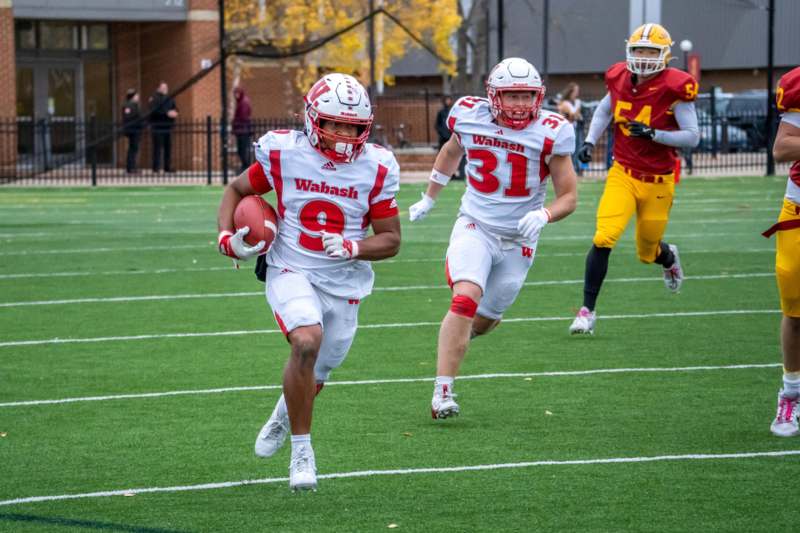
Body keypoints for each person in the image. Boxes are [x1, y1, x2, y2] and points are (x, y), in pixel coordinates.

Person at [216, 73, 401, 490]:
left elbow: (391, 240)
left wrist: (353, 247)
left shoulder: (375, 167)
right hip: (291, 267)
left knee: (320, 367)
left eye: (351, 126)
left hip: (344, 281)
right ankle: (303, 452)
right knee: (305, 342)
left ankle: (284, 414)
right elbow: (235, 190)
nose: (342, 134)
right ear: (312, 118)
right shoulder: (285, 153)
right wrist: (227, 239)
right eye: (333, 123)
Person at [408, 57, 578, 419]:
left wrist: (544, 214)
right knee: (465, 300)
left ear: (539, 96)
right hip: (476, 226)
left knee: (483, 321)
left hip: (520, 239)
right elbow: (451, 152)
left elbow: (569, 197)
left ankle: (453, 339)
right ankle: (442, 391)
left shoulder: (551, 131)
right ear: (492, 96)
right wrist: (429, 196)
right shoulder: (469, 115)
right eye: (511, 95)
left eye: (526, 96)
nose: (519, 104)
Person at [569, 23, 700, 335]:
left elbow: (693, 137)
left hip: (658, 180)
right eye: (639, 50)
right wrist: (589, 141)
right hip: (623, 173)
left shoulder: (676, 87)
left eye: (650, 51)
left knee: (646, 252)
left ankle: (667, 257)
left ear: (665, 55)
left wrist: (656, 134)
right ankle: (587, 311)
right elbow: (604, 113)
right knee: (604, 237)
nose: (643, 57)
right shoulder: (618, 77)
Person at [764, 65, 800, 437]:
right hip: (798, 211)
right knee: (795, 310)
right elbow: (782, 147)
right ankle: (791, 393)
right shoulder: (797, 84)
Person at [148, 82, 178, 173]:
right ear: (159, 88)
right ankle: (156, 167)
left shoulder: (170, 98)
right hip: (157, 126)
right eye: (163, 87)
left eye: (166, 87)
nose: (165, 89)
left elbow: (175, 108)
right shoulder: (154, 98)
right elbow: (154, 111)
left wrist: (175, 112)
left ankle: (167, 167)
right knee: (157, 147)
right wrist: (166, 113)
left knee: (168, 147)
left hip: (167, 126)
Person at [557, 82, 584, 174]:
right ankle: (572, 169)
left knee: (578, 148)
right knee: (570, 150)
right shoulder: (565, 103)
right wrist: (577, 106)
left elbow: (578, 116)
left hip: (576, 128)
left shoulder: (574, 102)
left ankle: (577, 168)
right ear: (571, 92)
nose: (577, 93)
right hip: (568, 129)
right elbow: (573, 115)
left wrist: (576, 112)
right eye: (576, 91)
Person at [121, 89, 143, 174]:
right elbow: (129, 117)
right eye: (137, 95)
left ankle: (132, 167)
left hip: (134, 129)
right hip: (133, 130)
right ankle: (130, 168)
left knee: (133, 148)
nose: (138, 97)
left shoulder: (134, 105)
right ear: (133, 96)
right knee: (133, 149)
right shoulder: (129, 105)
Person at [232, 86, 253, 173]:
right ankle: (245, 166)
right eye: (235, 93)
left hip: (243, 131)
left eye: (237, 93)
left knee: (242, 150)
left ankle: (246, 167)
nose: (236, 95)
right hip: (241, 130)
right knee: (241, 150)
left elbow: (243, 117)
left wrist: (235, 124)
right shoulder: (242, 102)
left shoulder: (243, 102)